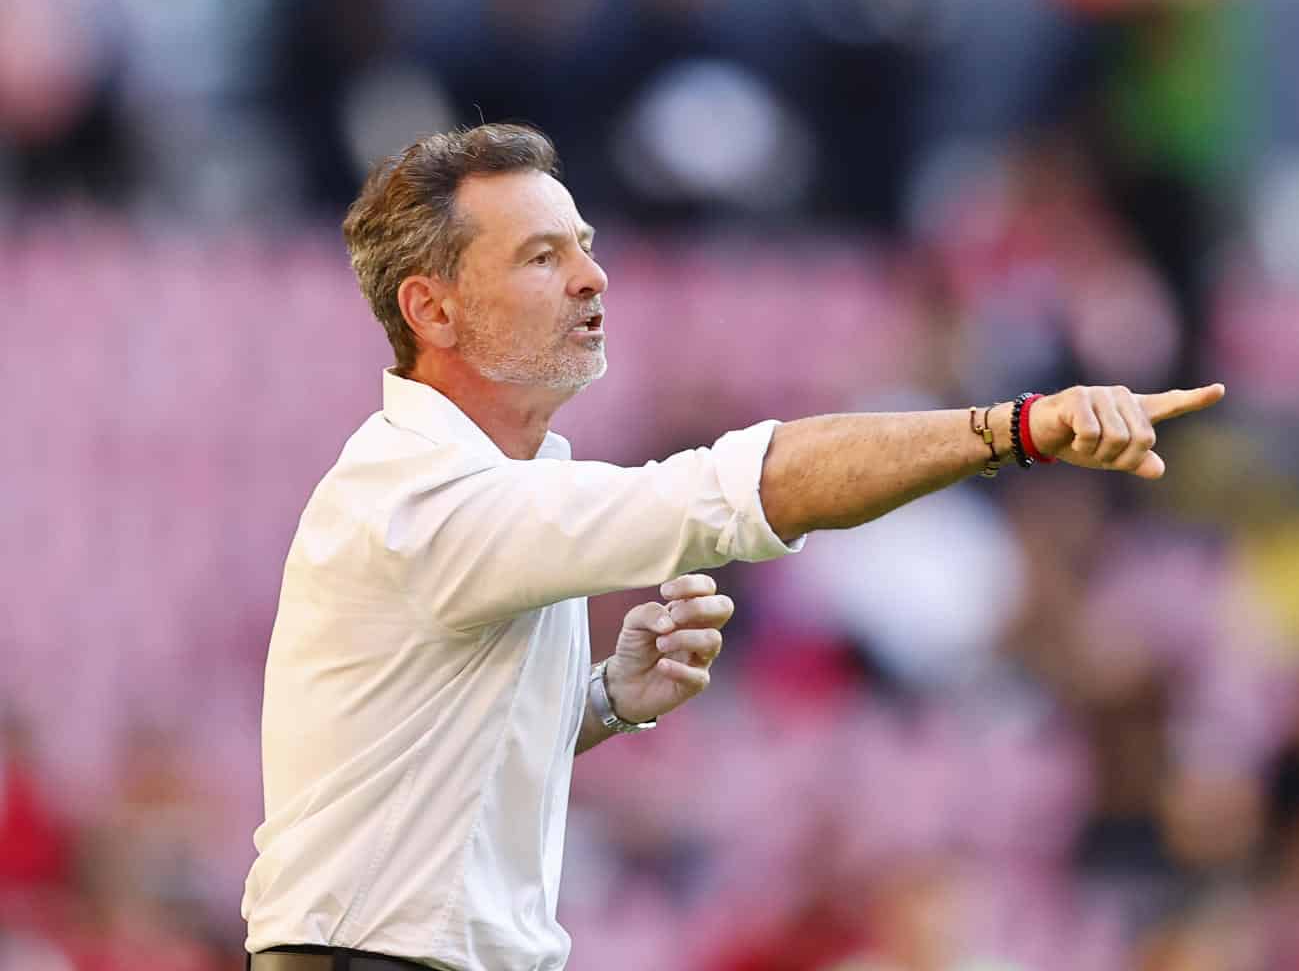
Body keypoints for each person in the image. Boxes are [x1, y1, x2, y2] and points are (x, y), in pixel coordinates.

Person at [240, 122, 1225, 971]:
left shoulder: (484, 486)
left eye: (584, 245)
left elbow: (429, 757)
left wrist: (601, 701)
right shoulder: (423, 493)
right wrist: (1015, 427)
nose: (591, 276)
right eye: (541, 257)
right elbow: (740, 488)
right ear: (432, 308)